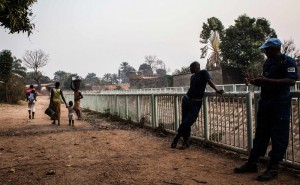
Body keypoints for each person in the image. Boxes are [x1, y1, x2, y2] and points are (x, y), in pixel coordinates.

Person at [234, 38, 298, 181]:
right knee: (261, 134)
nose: (265, 52)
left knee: (278, 137)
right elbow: (266, 81)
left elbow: (291, 81)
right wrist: (255, 82)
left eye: (267, 49)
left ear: (276, 48)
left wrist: (267, 81)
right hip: (265, 104)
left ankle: (273, 168)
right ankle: (252, 163)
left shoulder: (288, 62)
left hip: (279, 105)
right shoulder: (268, 62)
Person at [171, 61, 224, 149]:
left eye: (191, 67)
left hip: (196, 102)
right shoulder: (192, 77)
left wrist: (216, 90)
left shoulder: (203, 72)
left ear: (196, 67)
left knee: (188, 122)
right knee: (185, 121)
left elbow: (209, 81)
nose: (190, 69)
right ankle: (185, 141)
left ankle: (176, 138)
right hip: (187, 100)